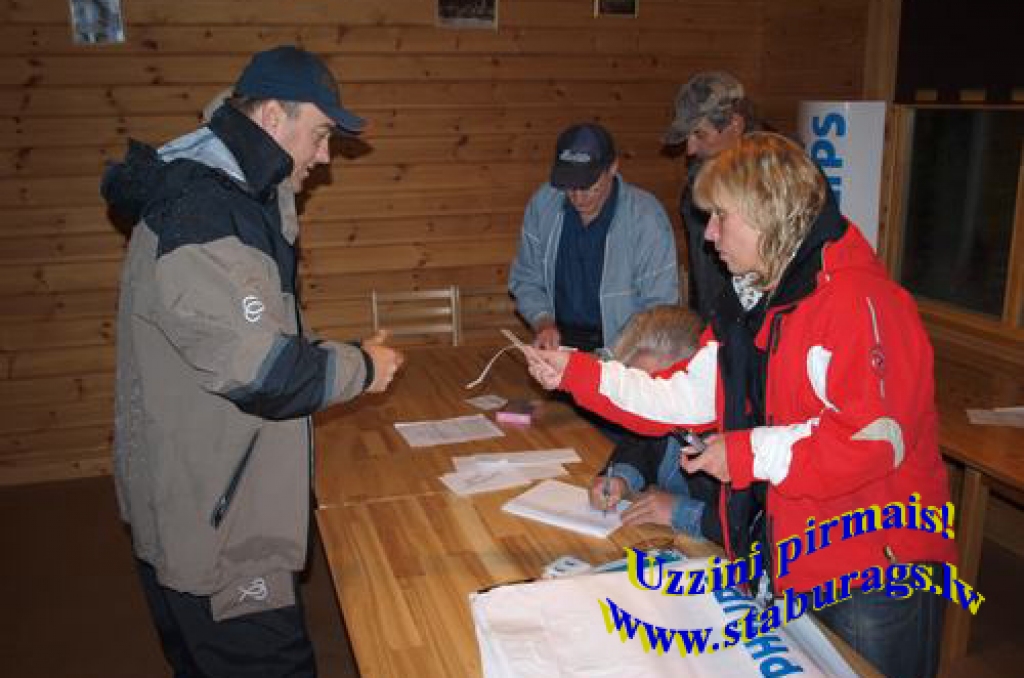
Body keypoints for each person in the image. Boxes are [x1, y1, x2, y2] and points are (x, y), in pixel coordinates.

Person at [526, 133, 957, 678]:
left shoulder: (861, 303)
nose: (708, 236)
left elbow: (873, 440)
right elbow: (680, 397)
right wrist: (575, 371)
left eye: (720, 218)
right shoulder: (754, 303)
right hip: (798, 557)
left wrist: (749, 453)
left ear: (766, 215)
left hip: (875, 568)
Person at [101, 45, 404, 677]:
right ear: (272, 117)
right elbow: (265, 372)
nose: (324, 158)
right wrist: (364, 368)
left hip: (200, 495)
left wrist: (335, 353)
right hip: (221, 529)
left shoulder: (227, 196)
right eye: (319, 135)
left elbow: (257, 326)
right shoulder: (207, 215)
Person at [508, 122, 680, 353]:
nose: (578, 198)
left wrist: (613, 358)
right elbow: (526, 278)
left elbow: (660, 308)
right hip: (562, 344)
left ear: (612, 168)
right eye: (570, 187)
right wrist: (543, 322)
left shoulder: (646, 218)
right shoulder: (544, 204)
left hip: (625, 351)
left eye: (590, 187)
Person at [588, 306, 721, 542]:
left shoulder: (731, 424)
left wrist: (680, 512)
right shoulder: (653, 410)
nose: (648, 402)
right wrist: (620, 480)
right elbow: (637, 449)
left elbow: (753, 521)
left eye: (655, 388)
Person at [664, 71, 770, 322]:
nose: (689, 149)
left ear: (735, 125)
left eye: (699, 134)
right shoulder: (699, 176)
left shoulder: (781, 180)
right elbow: (704, 275)